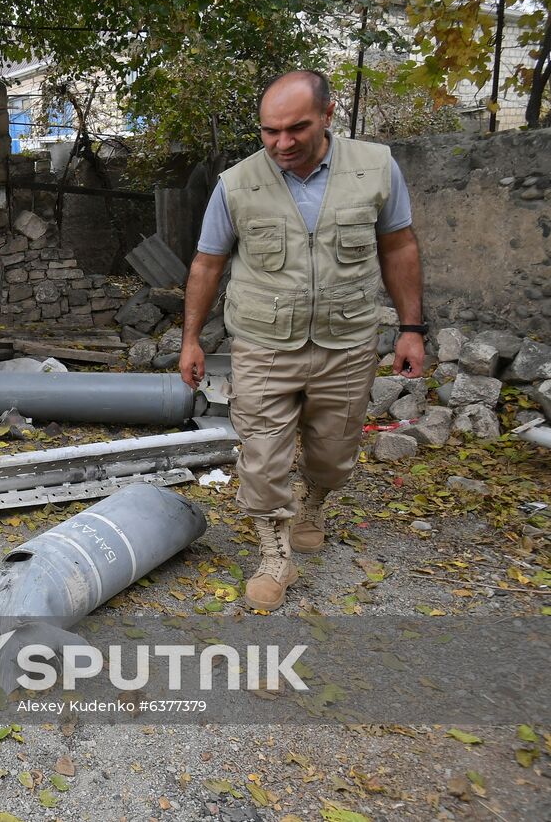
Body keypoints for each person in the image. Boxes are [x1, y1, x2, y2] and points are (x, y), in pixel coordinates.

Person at [178, 70, 426, 612]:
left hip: (347, 341)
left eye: (296, 129)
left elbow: (399, 247)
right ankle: (274, 552)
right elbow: (208, 262)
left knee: (335, 451)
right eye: (270, 131)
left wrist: (411, 328)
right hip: (266, 343)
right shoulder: (237, 183)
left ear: (329, 115)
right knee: (262, 456)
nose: (281, 143)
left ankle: (314, 503)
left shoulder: (376, 168)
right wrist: (191, 339)